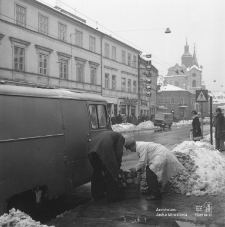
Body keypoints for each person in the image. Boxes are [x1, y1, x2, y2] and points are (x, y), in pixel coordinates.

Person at [88, 131, 125, 202]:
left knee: (97, 171)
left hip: (92, 146)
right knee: (112, 170)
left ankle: (97, 195)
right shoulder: (121, 138)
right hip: (104, 145)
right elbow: (118, 153)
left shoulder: (110, 134)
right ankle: (113, 197)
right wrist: (117, 167)